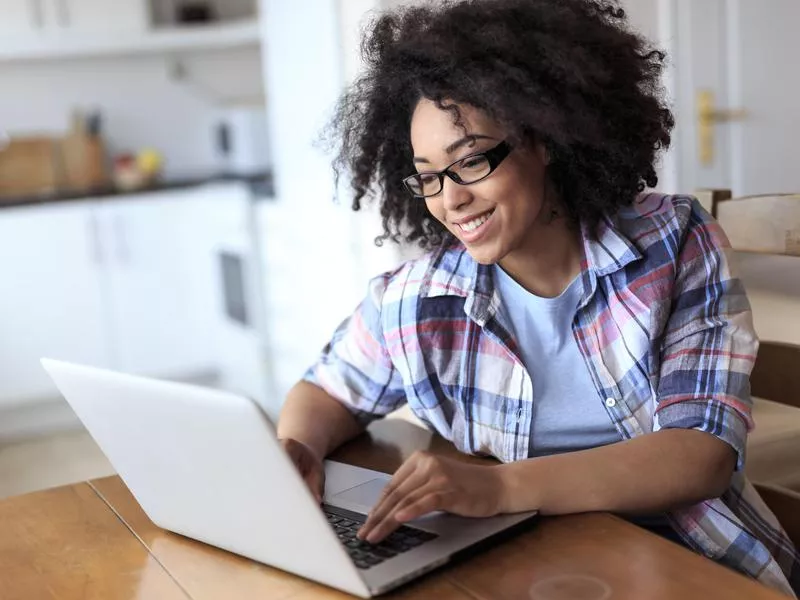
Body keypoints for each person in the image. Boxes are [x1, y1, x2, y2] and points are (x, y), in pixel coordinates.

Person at [276, 0, 800, 594]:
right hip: (530, 562)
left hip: (688, 560)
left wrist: (500, 488)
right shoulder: (420, 297)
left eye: (471, 161)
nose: (450, 199)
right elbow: (326, 389)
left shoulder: (672, 244)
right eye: (427, 175)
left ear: (543, 138)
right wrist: (297, 449)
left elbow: (700, 455)